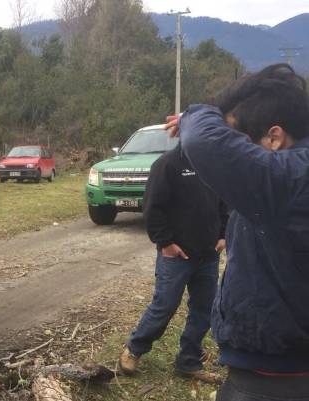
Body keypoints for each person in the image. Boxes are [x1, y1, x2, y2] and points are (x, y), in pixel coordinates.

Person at [168, 64, 309, 400]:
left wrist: (200, 113)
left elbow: (203, 140)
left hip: (278, 380)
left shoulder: (288, 180)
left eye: (238, 140)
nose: (233, 151)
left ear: (274, 137)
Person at [118, 141, 227, 384]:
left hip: (208, 255)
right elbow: (152, 207)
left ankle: (188, 361)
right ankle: (134, 348)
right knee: (164, 306)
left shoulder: (212, 164)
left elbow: (222, 202)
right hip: (176, 255)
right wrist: (165, 243)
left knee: (205, 309)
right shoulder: (167, 164)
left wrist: (222, 233)